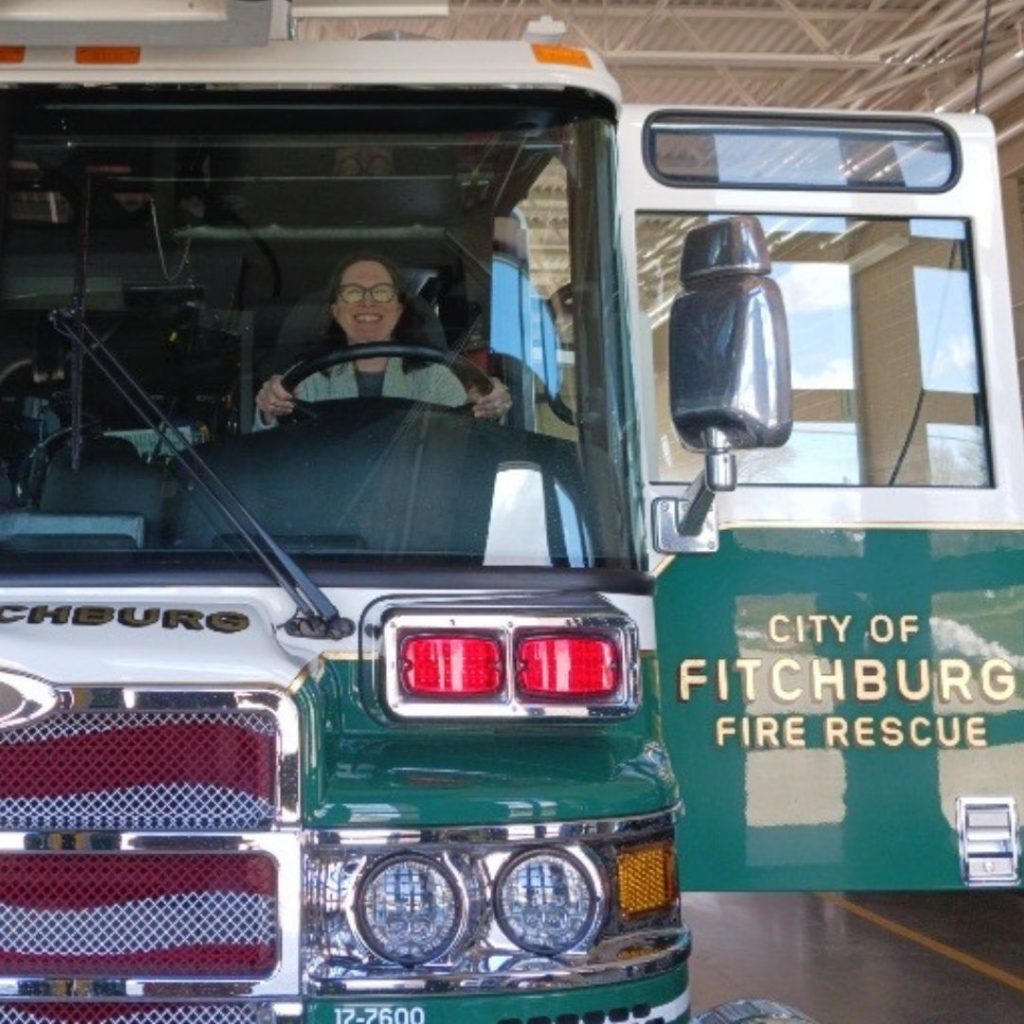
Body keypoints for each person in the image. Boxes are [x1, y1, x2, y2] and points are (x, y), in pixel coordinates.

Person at [256, 253, 511, 425]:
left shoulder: (437, 379)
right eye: (353, 293)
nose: (368, 301)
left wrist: (489, 405)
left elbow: (463, 445)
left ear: (399, 309)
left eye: (381, 292)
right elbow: (271, 452)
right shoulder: (305, 381)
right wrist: (269, 410)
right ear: (336, 311)